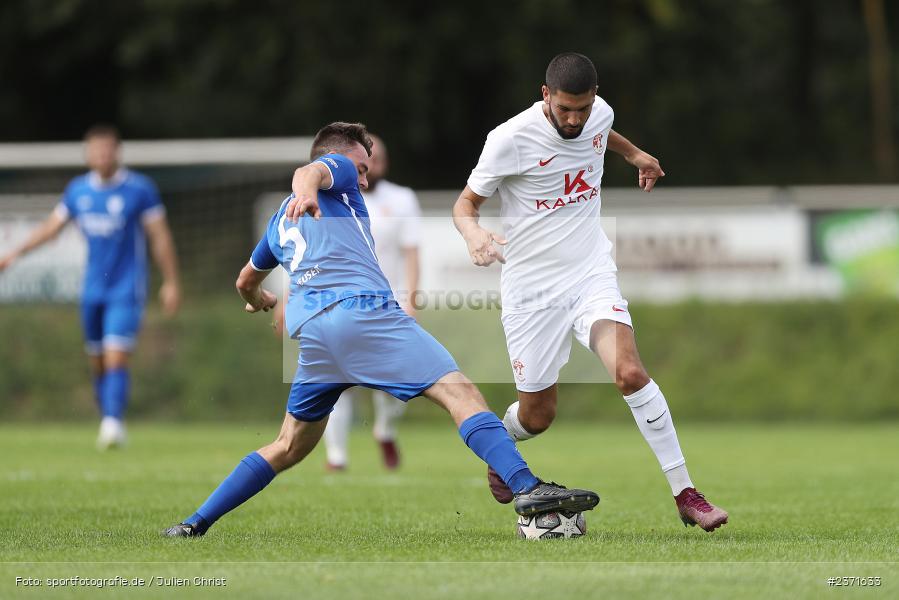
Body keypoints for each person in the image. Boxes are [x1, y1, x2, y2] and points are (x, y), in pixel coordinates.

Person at [163, 122, 598, 538]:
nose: (364, 181)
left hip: (315, 335)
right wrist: (307, 190)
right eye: (362, 169)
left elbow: (245, 281)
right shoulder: (338, 174)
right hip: (362, 314)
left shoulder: (279, 222)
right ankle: (525, 486)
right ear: (342, 161)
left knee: (288, 445)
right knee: (459, 392)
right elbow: (307, 172)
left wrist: (261, 300)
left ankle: (194, 523)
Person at [452, 53, 728, 532]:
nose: (575, 119)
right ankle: (503, 445)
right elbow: (465, 204)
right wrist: (474, 235)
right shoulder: (508, 139)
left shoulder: (599, 115)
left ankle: (686, 493)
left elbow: (602, 135)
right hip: (530, 289)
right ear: (546, 96)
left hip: (589, 273)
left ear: (595, 99)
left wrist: (634, 154)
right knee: (538, 416)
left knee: (629, 373)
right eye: (565, 110)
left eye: (583, 108)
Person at [0, 125, 181, 449]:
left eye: (108, 150)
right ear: (87, 155)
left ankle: (113, 423)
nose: (102, 156)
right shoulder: (78, 191)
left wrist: (171, 281)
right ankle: (108, 418)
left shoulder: (139, 189)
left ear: (117, 152)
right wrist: (15, 253)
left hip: (126, 288)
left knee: (115, 357)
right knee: (97, 361)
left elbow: (159, 235)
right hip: (92, 289)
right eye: (96, 151)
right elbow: (51, 229)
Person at [322, 134, 422, 471]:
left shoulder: (402, 199)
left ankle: (384, 429)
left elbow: (412, 253)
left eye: (378, 160)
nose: (372, 168)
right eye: (366, 162)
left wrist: (412, 300)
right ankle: (337, 458)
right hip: (339, 304)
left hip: (386, 304)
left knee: (396, 382)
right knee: (338, 385)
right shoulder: (329, 200)